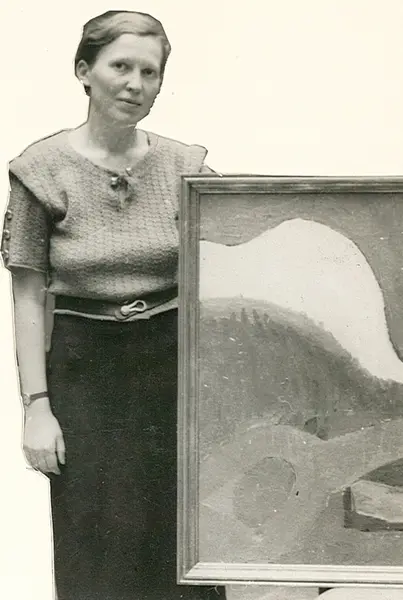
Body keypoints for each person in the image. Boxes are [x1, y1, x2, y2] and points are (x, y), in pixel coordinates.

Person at [1, 10, 226, 600]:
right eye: (121, 66)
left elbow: (234, 258)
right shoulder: (39, 171)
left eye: (150, 72)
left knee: (184, 543)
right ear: (84, 70)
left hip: (174, 368)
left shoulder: (187, 167)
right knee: (96, 544)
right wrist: (36, 407)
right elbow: (27, 296)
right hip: (85, 370)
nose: (135, 84)